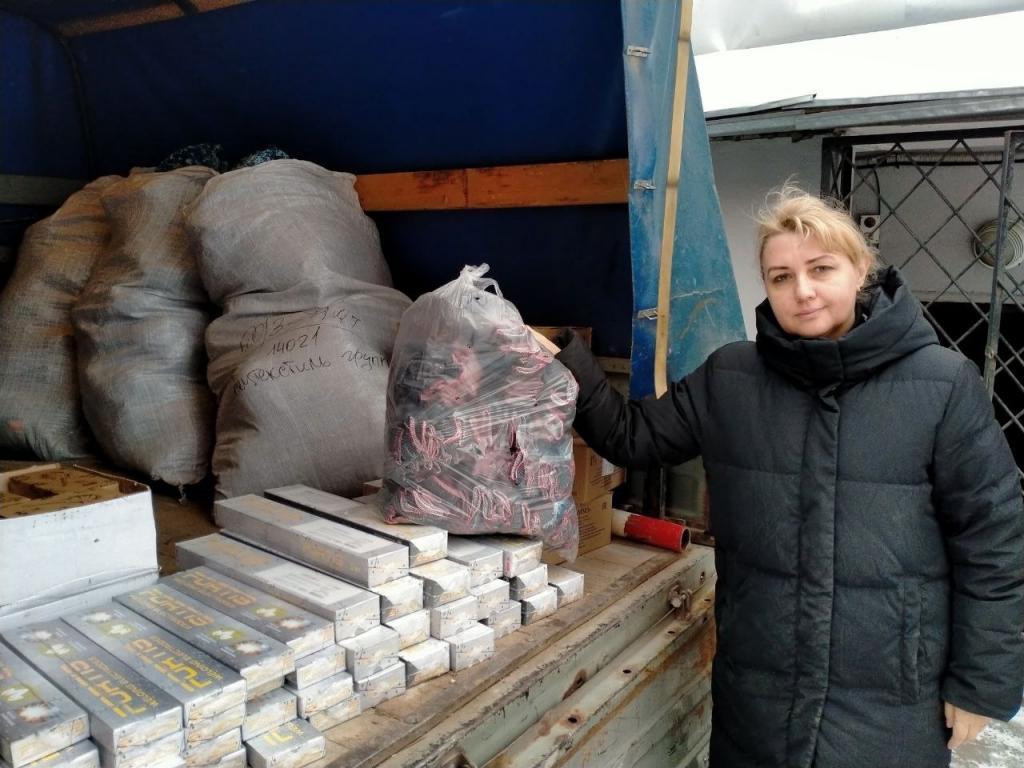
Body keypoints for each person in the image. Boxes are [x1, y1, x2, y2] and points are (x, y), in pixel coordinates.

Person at [548, 187, 1024, 768]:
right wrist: (559, 355)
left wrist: (981, 684)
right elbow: (631, 437)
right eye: (781, 277)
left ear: (861, 270)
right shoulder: (732, 376)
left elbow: (992, 540)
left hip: (891, 704)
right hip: (759, 698)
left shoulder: (942, 383)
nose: (802, 290)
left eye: (821, 269)